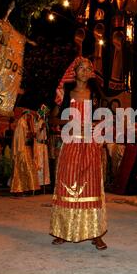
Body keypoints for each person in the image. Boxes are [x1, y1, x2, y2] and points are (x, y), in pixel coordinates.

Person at [49, 56, 108, 250]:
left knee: (91, 189)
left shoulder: (96, 94)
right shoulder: (65, 93)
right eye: (81, 68)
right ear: (74, 71)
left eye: (88, 68)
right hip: (71, 144)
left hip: (90, 145)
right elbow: (53, 119)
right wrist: (68, 122)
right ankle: (62, 230)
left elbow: (103, 119)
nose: (85, 71)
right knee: (68, 185)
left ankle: (95, 233)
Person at [10, 110, 39, 195]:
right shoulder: (21, 122)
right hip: (22, 149)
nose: (30, 118)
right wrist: (29, 135)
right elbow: (20, 137)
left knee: (29, 168)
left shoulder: (28, 124)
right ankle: (19, 188)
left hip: (28, 149)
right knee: (22, 169)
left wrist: (32, 135)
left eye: (30, 116)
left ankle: (29, 188)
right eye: (28, 116)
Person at [33, 104, 51, 190]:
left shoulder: (45, 122)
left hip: (44, 146)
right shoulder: (38, 122)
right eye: (46, 113)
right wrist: (41, 128)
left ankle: (44, 183)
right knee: (39, 164)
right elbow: (35, 134)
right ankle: (38, 184)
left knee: (45, 165)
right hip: (39, 146)